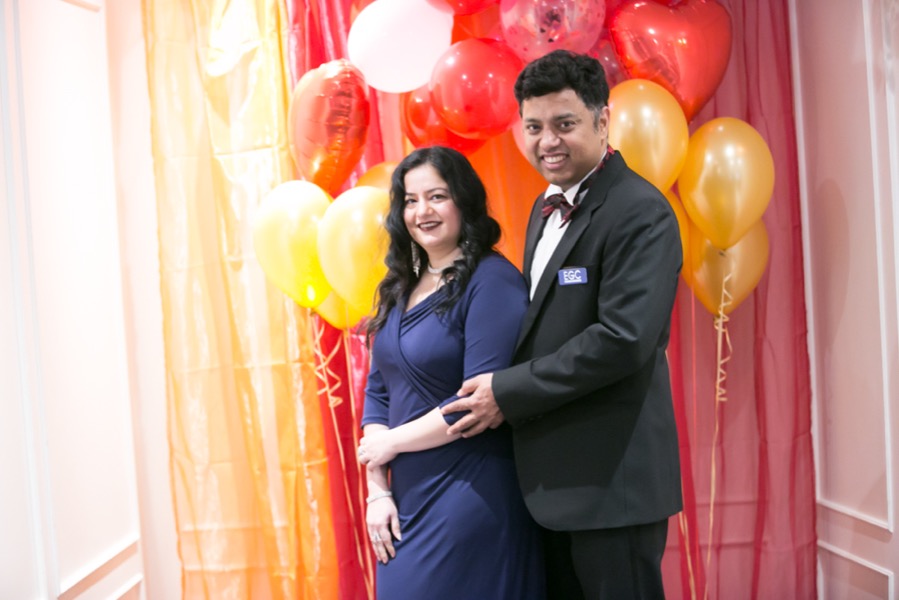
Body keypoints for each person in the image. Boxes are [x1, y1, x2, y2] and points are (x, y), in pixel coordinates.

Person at [441, 50, 684, 599]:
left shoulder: (640, 211)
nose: (547, 141)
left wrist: (507, 391)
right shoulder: (544, 207)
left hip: (612, 485)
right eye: (534, 127)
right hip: (548, 486)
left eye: (564, 124)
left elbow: (622, 340)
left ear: (603, 121)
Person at [357, 145, 545, 599]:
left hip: (470, 493)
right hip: (405, 496)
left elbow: (475, 404)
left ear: (464, 201)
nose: (422, 211)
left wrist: (390, 444)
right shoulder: (399, 286)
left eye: (437, 196)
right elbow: (378, 393)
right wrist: (377, 489)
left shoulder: (492, 280)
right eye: (411, 200)